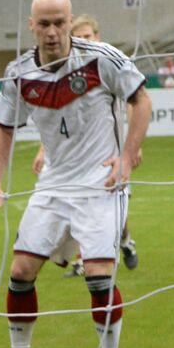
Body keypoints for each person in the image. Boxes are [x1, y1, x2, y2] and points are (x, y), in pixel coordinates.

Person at [0, 0, 150, 348]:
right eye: (45, 24)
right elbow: (4, 128)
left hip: (101, 184)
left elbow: (141, 101)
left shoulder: (101, 58)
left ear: (70, 21)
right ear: (31, 26)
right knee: (21, 271)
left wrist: (127, 158)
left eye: (60, 22)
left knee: (97, 278)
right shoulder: (19, 73)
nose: (53, 31)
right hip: (54, 185)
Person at [32, 14, 139, 275]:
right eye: (78, 37)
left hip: (109, 158)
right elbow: (57, 121)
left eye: (88, 36)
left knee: (116, 215)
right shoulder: (64, 74)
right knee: (79, 209)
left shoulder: (107, 65)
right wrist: (42, 149)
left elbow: (135, 102)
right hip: (76, 163)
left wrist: (132, 148)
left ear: (97, 37)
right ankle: (85, 260)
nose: (82, 41)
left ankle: (125, 241)